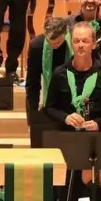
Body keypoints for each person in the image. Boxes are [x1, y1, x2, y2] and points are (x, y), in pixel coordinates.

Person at [43, 22, 101, 201]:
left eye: (85, 41)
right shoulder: (60, 74)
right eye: (76, 41)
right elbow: (49, 107)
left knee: (100, 195)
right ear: (71, 43)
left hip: (96, 142)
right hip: (68, 142)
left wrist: (99, 123)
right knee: (66, 195)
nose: (80, 45)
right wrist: (65, 117)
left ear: (94, 44)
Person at [25, 17, 71, 149]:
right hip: (46, 97)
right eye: (50, 42)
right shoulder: (37, 45)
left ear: (65, 34)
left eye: (57, 43)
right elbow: (32, 82)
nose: (53, 46)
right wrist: (33, 115)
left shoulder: (73, 43)